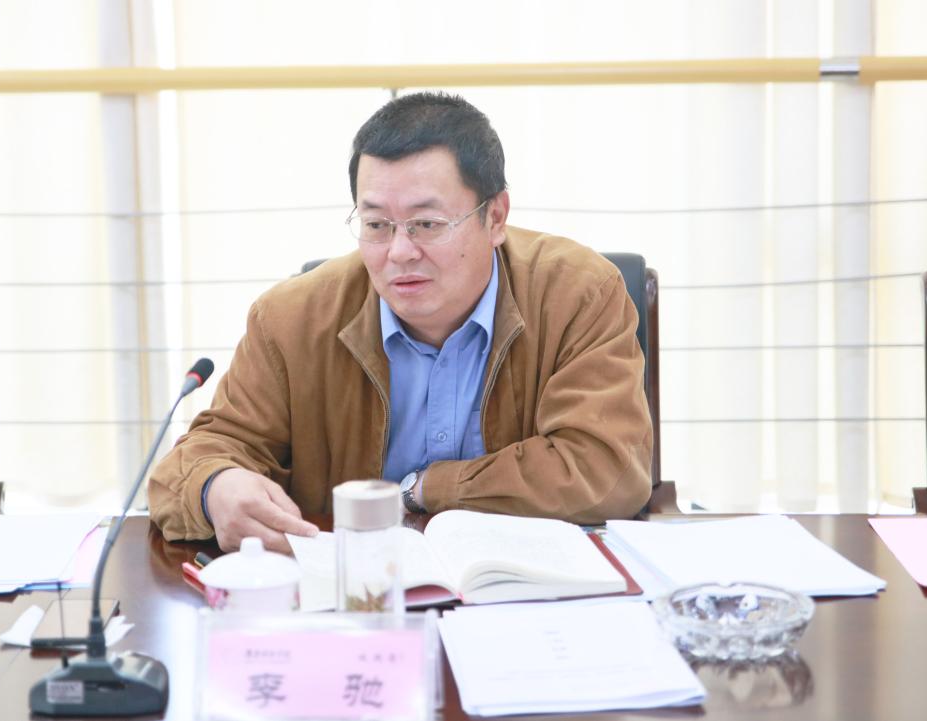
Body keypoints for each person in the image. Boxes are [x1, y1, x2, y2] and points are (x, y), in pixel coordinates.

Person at [149, 92, 653, 553]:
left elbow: (605, 470)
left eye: (426, 224)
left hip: (529, 584)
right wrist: (216, 487)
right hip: (355, 591)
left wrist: (423, 490)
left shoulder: (578, 294)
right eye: (376, 225)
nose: (399, 252)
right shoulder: (290, 319)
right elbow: (192, 464)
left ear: (496, 217)